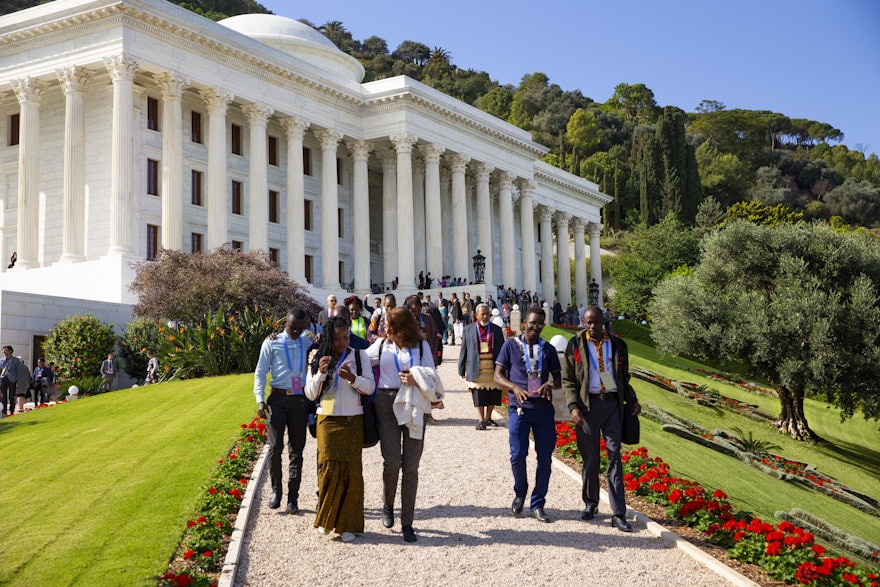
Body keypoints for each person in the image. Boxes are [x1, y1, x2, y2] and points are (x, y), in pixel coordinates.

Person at [562, 306, 641, 532]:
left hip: (612, 405)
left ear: (604, 321)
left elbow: (623, 378)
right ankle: (591, 503)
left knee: (615, 456)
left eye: (596, 322)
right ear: (582, 322)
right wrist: (573, 407)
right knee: (591, 458)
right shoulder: (575, 344)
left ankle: (618, 513)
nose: (592, 327)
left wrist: (632, 400)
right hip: (587, 407)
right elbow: (568, 379)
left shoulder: (617, 345)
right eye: (588, 323)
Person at [366, 308, 438, 543]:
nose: (388, 331)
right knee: (392, 462)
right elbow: (359, 358)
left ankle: (407, 521)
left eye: (392, 328)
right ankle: (388, 505)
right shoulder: (381, 345)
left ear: (404, 329)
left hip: (414, 401)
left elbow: (432, 374)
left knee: (411, 465)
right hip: (386, 403)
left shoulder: (421, 345)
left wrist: (416, 379)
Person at [305, 316, 376, 543]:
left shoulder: (359, 355)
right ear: (328, 338)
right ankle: (327, 519)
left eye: (345, 337)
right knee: (327, 467)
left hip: (353, 420)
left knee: (352, 472)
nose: (342, 342)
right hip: (327, 418)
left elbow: (370, 387)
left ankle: (348, 524)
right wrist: (321, 373)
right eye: (337, 339)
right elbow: (310, 393)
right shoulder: (317, 356)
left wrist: (353, 379)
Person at [494, 308, 561, 523]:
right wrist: (513, 387)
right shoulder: (510, 345)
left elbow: (558, 380)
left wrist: (549, 385)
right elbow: (497, 375)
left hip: (543, 409)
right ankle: (520, 493)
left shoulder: (548, 349)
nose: (535, 328)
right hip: (519, 407)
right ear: (524, 322)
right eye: (532, 323)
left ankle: (538, 503)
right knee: (517, 454)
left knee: (545, 458)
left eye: (539, 325)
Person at [253, 308, 312, 514]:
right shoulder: (271, 342)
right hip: (277, 400)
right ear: (284, 323)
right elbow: (260, 372)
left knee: (297, 451)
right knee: (275, 447)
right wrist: (260, 400)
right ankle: (276, 491)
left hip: (299, 400)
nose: (295, 332)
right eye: (291, 327)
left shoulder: (306, 341)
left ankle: (293, 497)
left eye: (299, 328)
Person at [459, 304, 504, 430]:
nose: (485, 316)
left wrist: (505, 367)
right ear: (476, 315)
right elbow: (464, 350)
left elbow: (502, 349)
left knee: (493, 394)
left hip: (492, 367)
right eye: (482, 314)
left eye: (487, 314)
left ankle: (489, 417)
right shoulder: (468, 330)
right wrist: (461, 368)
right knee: (479, 394)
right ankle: (481, 419)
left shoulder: (496, 330)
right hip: (476, 366)